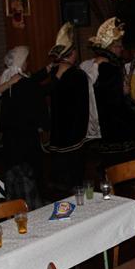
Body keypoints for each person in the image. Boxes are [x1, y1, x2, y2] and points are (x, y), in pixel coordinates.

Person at [90, 17, 135, 158]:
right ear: (111, 47)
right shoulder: (108, 66)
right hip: (115, 120)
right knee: (123, 156)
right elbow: (110, 95)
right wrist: (123, 90)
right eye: (119, 46)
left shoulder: (108, 64)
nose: (122, 48)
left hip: (110, 117)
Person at [0, 46, 48, 209]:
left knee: (15, 170)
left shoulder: (7, 78)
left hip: (11, 134)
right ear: (21, 61)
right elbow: (38, 98)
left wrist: (47, 70)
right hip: (25, 133)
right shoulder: (24, 82)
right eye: (26, 60)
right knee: (30, 169)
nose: (28, 63)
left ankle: (16, 203)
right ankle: (34, 203)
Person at [46, 23, 90, 188]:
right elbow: (83, 104)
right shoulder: (78, 75)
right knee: (74, 162)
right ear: (71, 54)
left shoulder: (55, 72)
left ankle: (60, 183)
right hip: (73, 126)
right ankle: (73, 186)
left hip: (58, 123)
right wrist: (84, 127)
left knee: (61, 160)